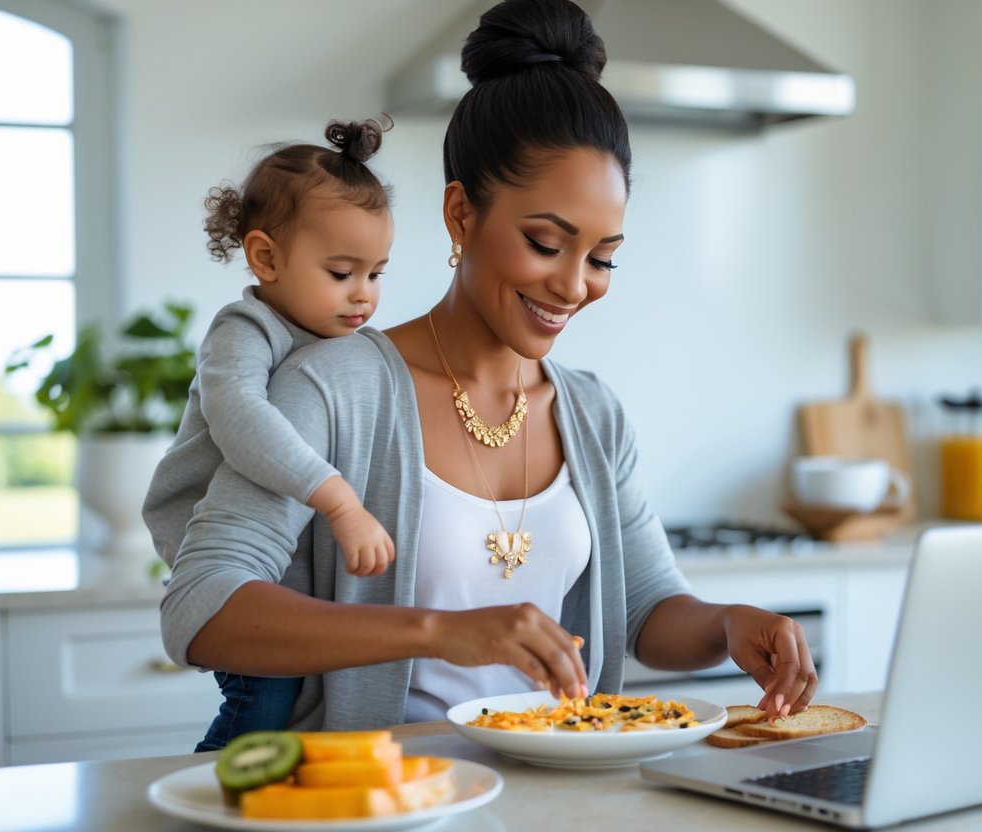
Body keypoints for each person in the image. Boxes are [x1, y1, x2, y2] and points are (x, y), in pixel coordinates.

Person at [152, 0, 817, 741]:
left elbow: (646, 608)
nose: (573, 286)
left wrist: (728, 623)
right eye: (544, 242)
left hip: (556, 797)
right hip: (381, 803)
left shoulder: (593, 413)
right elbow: (201, 605)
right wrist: (437, 630)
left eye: (601, 258)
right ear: (461, 216)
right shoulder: (333, 387)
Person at [143, 118, 397, 750]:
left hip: (295, 553)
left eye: (376, 273)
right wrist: (339, 500)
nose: (363, 294)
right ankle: (212, 786)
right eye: (342, 272)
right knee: (267, 695)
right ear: (265, 257)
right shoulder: (244, 330)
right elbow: (241, 420)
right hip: (219, 544)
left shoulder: (349, 345)